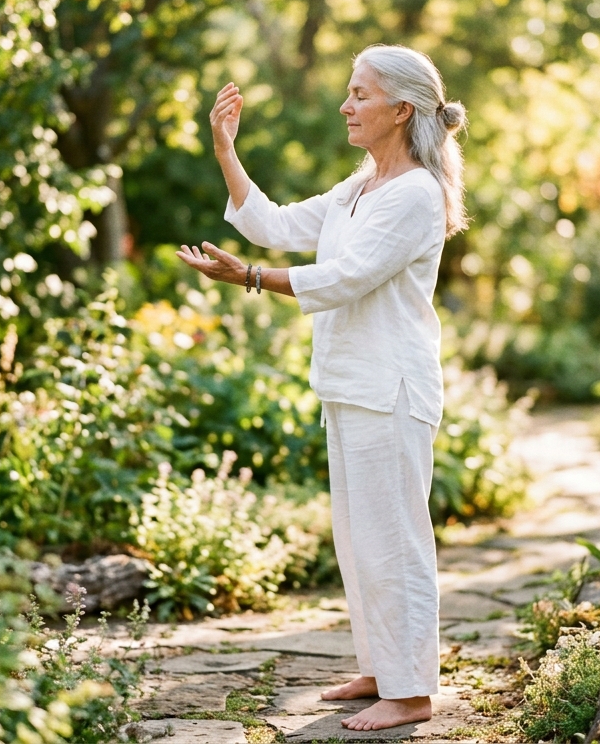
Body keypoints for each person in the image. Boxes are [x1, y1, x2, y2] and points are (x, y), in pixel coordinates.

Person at [176, 44, 467, 732]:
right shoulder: (360, 185)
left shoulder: (416, 194)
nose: (346, 106)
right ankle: (381, 668)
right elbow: (274, 224)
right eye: (348, 92)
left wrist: (249, 278)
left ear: (402, 109)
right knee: (359, 538)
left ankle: (412, 691)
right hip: (350, 383)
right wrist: (224, 147)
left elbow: (345, 278)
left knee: (394, 541)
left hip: (392, 389)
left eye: (360, 95)